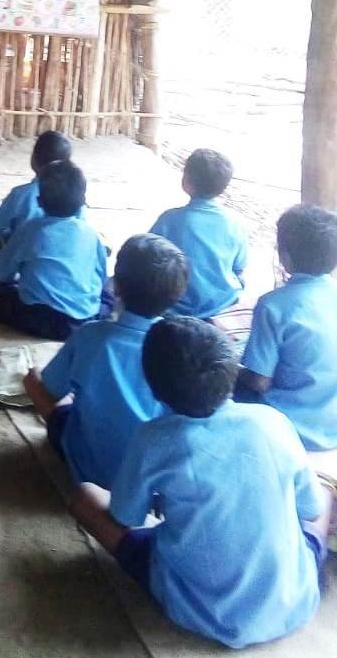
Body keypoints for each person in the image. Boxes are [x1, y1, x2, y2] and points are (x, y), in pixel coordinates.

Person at [69, 317, 331, 650]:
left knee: (85, 497)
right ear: (232, 371)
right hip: (295, 601)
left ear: (153, 387)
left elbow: (125, 516)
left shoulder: (153, 439)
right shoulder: (273, 421)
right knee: (323, 491)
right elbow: (310, 509)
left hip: (197, 609)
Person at [23, 234, 188, 488]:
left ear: (116, 285)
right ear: (177, 295)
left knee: (33, 379)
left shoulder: (90, 335)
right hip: (149, 477)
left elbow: (52, 389)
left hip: (90, 466)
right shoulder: (182, 347)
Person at [237, 204, 337, 451]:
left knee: (222, 382)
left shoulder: (273, 305)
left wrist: (232, 367)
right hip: (332, 423)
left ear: (285, 257)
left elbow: (259, 381)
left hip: (287, 425)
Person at [0, 160, 108, 341]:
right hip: (82, 321)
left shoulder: (30, 230)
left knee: (5, 292)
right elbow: (101, 276)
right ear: (83, 202)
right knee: (108, 296)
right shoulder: (91, 235)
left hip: (37, 318)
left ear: (39, 201)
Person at [150, 148, 247, 318]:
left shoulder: (169, 219)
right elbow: (239, 266)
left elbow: (147, 256)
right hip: (222, 305)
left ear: (186, 182)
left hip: (175, 307)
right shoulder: (235, 222)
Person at [0, 129, 73, 255]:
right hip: (62, 249)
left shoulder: (20, 194)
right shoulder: (74, 194)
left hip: (25, 251)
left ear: (34, 160)